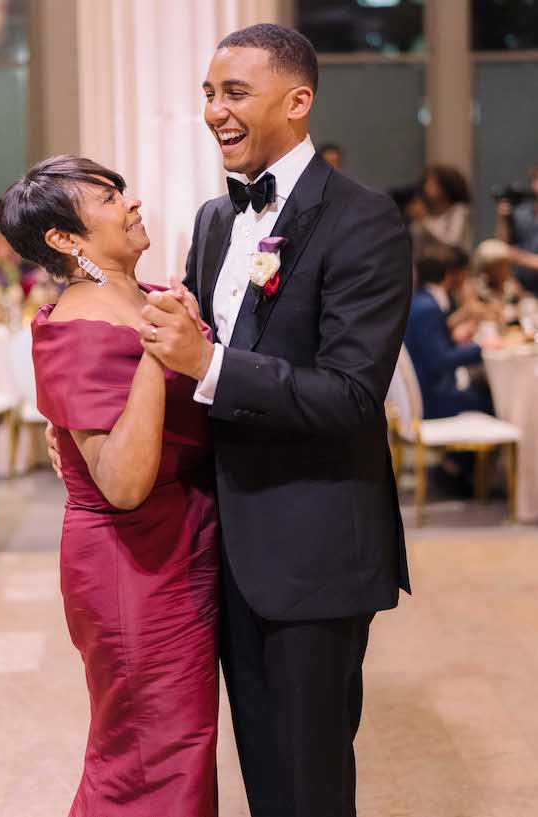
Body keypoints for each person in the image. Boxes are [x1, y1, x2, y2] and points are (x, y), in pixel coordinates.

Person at [137, 23, 411, 817]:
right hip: (224, 545)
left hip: (315, 545)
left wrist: (210, 364)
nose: (215, 111)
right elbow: (200, 369)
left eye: (234, 93)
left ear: (298, 102)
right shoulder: (215, 222)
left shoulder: (364, 220)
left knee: (309, 782)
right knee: (263, 771)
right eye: (209, 95)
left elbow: (353, 395)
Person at [0, 156, 219, 817]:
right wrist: (159, 349)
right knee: (150, 753)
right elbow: (119, 482)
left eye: (119, 191)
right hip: (129, 562)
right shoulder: (77, 326)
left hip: (183, 537)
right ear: (66, 239)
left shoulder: (144, 294)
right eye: (107, 197)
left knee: (181, 741)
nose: (131, 203)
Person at [405, 243, 496, 420]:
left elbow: (431, 350)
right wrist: (481, 346)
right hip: (434, 399)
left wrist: (454, 339)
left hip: (429, 392)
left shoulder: (421, 300)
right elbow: (440, 361)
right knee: (493, 398)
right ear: (450, 274)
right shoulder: (428, 308)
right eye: (464, 272)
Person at [495, 162, 538, 294]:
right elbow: (502, 245)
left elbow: (508, 252)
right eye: (536, 179)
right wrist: (502, 218)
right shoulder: (523, 212)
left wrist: (514, 255)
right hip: (518, 284)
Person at [416, 164, 472, 252]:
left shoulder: (458, 210)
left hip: (454, 263)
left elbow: (452, 242)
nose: (427, 187)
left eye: (432, 183)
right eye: (426, 182)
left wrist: (425, 221)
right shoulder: (425, 209)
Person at [473, 238, 526, 329]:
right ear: (487, 268)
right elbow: (473, 309)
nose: (506, 270)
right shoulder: (475, 287)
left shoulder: (512, 286)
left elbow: (525, 305)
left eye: (507, 265)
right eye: (500, 267)